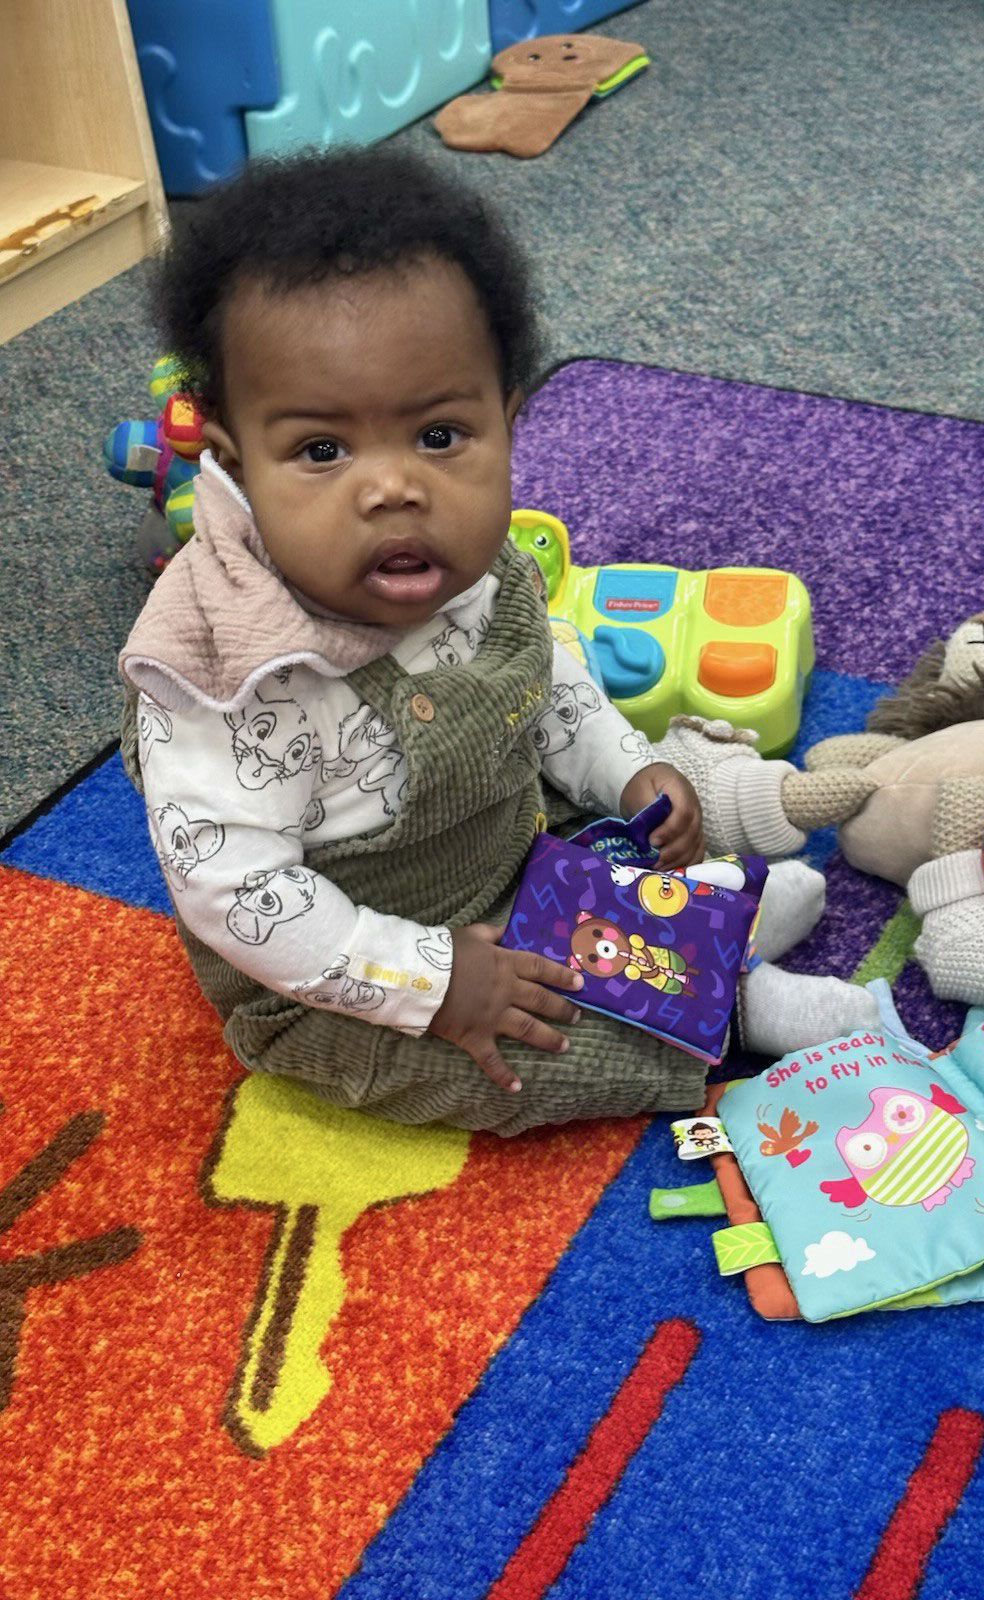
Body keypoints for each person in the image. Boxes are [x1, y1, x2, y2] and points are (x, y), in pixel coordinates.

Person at [118, 147, 879, 1135]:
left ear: (508, 426)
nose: (394, 488)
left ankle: (704, 926)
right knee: (509, 1059)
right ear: (234, 464)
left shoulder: (478, 561)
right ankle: (731, 1007)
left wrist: (630, 772)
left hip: (501, 837)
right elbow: (241, 895)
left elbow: (547, 678)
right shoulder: (217, 675)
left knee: (595, 831)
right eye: (320, 451)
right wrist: (431, 980)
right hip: (337, 956)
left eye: (439, 436)